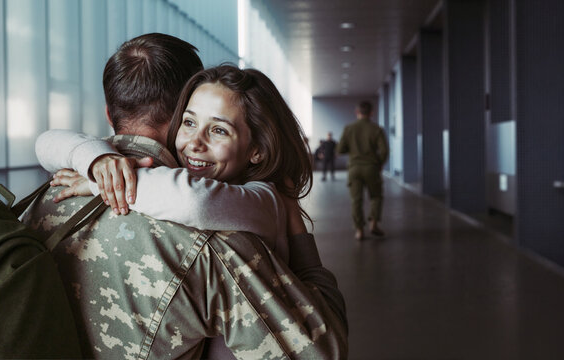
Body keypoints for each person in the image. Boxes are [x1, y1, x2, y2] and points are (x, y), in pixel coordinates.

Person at [24, 34, 347, 359]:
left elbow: (195, 198)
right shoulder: (216, 244)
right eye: (190, 122)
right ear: (181, 111)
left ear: (109, 114)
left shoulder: (49, 195)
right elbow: (320, 351)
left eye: (218, 128)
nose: (195, 142)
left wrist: (95, 173)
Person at [337, 101, 389, 240]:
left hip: (354, 168)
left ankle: (359, 230)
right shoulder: (377, 129)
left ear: (357, 112)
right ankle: (373, 223)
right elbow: (384, 151)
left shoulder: (349, 128)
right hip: (371, 167)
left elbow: (340, 149)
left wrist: (353, 148)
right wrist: (379, 163)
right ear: (371, 113)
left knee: (356, 200)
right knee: (376, 196)